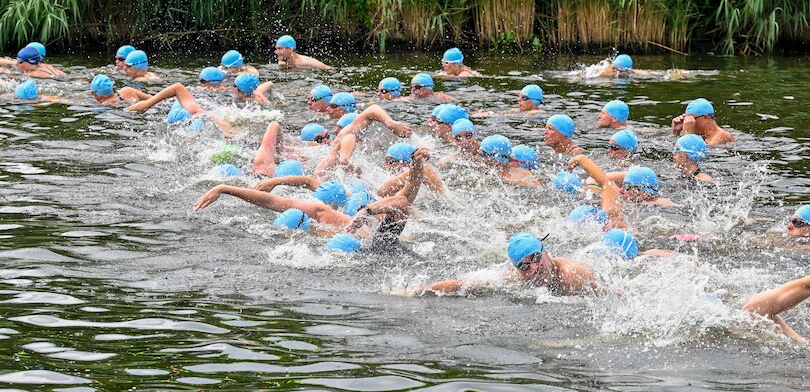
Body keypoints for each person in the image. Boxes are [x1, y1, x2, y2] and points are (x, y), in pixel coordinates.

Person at [196, 155, 431, 244]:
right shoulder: (334, 220)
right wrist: (226, 188)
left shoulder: (367, 221)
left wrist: (418, 165)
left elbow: (403, 200)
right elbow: (274, 203)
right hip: (369, 253)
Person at [416, 232, 600, 296]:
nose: (534, 268)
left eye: (535, 258)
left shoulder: (573, 276)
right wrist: (422, 290)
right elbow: (464, 283)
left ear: (545, 251)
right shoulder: (514, 278)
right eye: (524, 266)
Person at [377, 144, 446, 196]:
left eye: (390, 161)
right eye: (386, 160)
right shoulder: (384, 178)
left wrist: (417, 161)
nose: (385, 164)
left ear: (405, 164)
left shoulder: (423, 172)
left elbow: (382, 192)